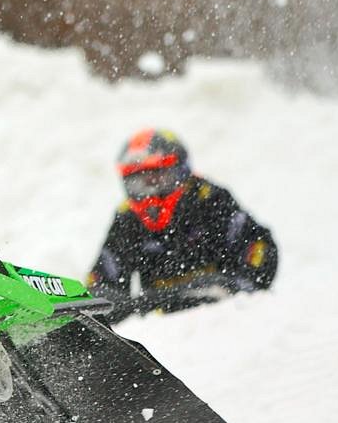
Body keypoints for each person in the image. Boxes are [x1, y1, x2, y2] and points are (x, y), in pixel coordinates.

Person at [86, 129, 278, 315]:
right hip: (162, 326)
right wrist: (126, 306)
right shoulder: (127, 218)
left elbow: (260, 247)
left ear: (181, 171)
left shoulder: (210, 199)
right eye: (138, 182)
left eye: (158, 178)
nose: (149, 193)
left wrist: (234, 286)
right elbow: (99, 288)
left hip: (224, 316)